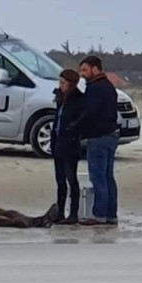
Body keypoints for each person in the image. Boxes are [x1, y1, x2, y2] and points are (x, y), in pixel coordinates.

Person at [77, 55, 119, 226]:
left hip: (99, 137)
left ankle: (99, 215)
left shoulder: (95, 88)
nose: (82, 74)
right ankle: (111, 214)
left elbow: (90, 113)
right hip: (111, 136)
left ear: (95, 69)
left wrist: (79, 130)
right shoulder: (109, 86)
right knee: (108, 177)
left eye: (85, 70)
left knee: (98, 178)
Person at [50, 68, 85, 224]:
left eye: (63, 83)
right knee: (60, 180)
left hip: (70, 145)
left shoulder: (78, 99)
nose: (60, 85)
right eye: (60, 82)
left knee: (71, 179)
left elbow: (81, 120)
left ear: (70, 84)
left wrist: (71, 130)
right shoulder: (61, 99)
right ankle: (60, 212)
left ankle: (73, 214)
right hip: (58, 142)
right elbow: (57, 120)